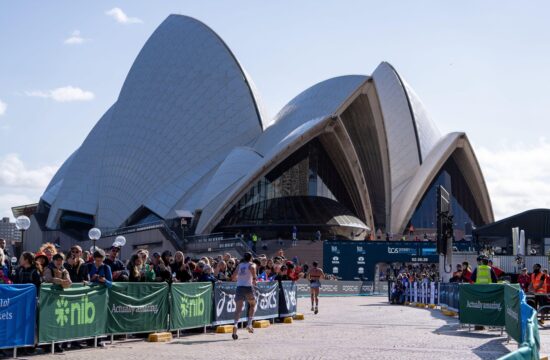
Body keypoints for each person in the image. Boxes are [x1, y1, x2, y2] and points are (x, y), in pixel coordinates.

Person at [231, 252, 257, 340]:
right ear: (250, 258)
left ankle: (235, 324)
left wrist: (237, 279)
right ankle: (249, 324)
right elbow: (252, 268)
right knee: (252, 304)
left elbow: (233, 276)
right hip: (248, 287)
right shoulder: (251, 264)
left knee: (238, 309)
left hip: (239, 287)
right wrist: (254, 278)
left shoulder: (240, 265)